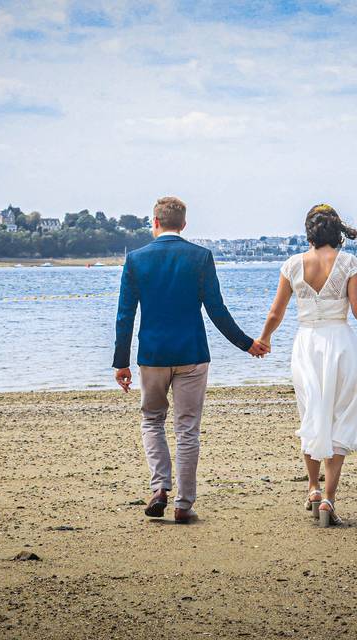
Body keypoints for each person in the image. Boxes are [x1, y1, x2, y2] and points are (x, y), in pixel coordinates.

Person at [113, 196, 270, 524]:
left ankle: (159, 487)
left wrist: (121, 362)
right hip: (192, 353)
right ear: (183, 224)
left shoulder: (136, 260)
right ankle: (184, 505)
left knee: (152, 420)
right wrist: (247, 344)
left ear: (154, 222)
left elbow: (125, 314)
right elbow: (217, 310)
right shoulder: (200, 257)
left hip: (152, 355)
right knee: (187, 429)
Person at [258, 204, 357, 527]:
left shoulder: (292, 265)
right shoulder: (348, 263)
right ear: (337, 231)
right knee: (339, 418)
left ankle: (313, 488)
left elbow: (275, 314)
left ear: (309, 232)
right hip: (341, 345)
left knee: (312, 414)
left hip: (307, 345)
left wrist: (264, 340)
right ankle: (329, 499)